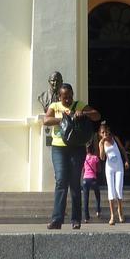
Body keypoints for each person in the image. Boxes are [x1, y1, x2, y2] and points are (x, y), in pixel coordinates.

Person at [43, 82, 100, 230]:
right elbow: (46, 120)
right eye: (64, 97)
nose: (67, 100)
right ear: (59, 97)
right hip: (59, 148)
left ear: (72, 95)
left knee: (75, 182)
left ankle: (76, 219)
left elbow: (96, 115)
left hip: (76, 148)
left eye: (69, 97)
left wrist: (82, 113)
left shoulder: (78, 105)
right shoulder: (55, 106)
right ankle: (57, 219)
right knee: (61, 180)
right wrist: (63, 119)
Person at [98, 121, 127, 225]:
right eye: (103, 132)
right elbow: (102, 158)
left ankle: (120, 211)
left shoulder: (115, 139)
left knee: (118, 189)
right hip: (109, 167)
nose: (105, 134)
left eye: (106, 132)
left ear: (109, 131)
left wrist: (126, 160)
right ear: (100, 134)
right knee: (111, 190)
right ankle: (112, 215)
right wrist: (101, 145)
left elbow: (123, 149)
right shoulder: (101, 143)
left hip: (119, 166)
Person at [82, 137, 101, 222]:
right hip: (93, 179)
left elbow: (82, 169)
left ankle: (86, 217)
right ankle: (98, 211)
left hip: (85, 179)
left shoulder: (84, 158)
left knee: (86, 198)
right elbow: (98, 169)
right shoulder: (95, 158)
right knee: (97, 195)